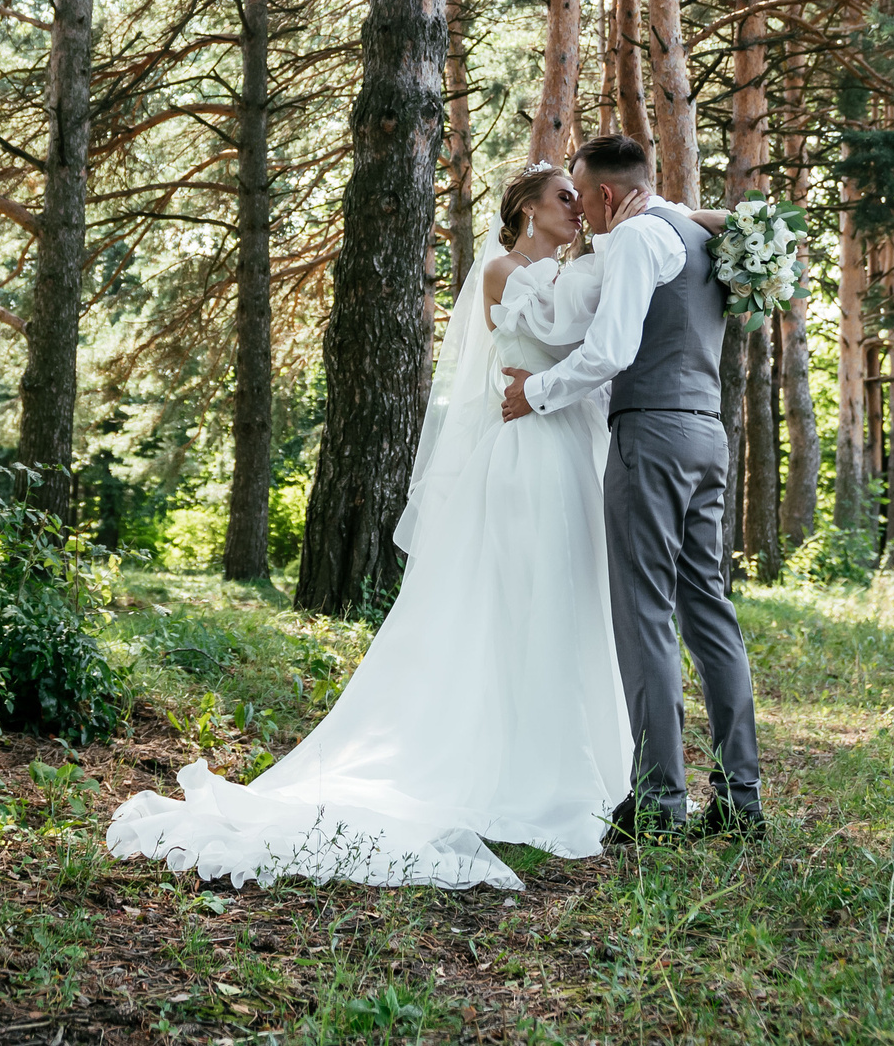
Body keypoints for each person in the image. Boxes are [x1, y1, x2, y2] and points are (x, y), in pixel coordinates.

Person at [106, 163, 629, 890]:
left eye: (582, 197)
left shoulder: (577, 269)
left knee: (571, 602)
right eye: (564, 197)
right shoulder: (505, 272)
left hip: (570, 449)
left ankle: (580, 763)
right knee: (519, 604)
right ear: (525, 208)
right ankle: (520, 769)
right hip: (525, 458)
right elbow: (567, 329)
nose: (579, 208)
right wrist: (627, 243)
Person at [501, 134, 764, 838]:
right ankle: (742, 796)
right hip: (708, 435)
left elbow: (612, 350)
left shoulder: (636, 240)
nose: (581, 213)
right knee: (709, 607)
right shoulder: (694, 233)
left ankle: (659, 802)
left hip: (651, 435)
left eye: (582, 196)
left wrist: (539, 392)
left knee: (644, 610)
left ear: (608, 194)